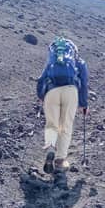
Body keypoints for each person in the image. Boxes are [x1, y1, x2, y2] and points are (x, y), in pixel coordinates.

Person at [36, 36, 89, 173]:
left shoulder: (51, 62)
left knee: (52, 124)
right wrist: (83, 104)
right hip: (71, 92)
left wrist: (41, 96)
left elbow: (41, 80)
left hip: (52, 92)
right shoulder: (79, 62)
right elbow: (84, 84)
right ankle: (60, 160)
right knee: (65, 126)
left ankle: (51, 148)